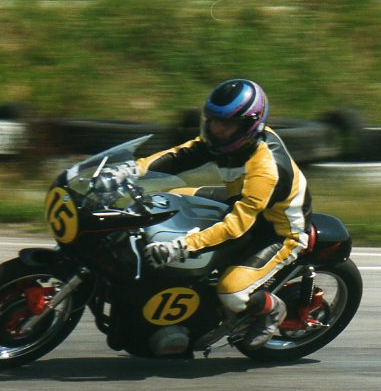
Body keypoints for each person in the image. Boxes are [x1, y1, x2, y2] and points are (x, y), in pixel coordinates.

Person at [108, 79, 312, 349]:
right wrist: (131, 170)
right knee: (168, 200)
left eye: (226, 124)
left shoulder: (266, 169)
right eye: (214, 121)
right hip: (240, 201)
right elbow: (181, 155)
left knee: (232, 292)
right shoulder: (232, 141)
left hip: (276, 231)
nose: (217, 129)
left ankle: (272, 310)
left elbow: (235, 228)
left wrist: (181, 246)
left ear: (249, 125)